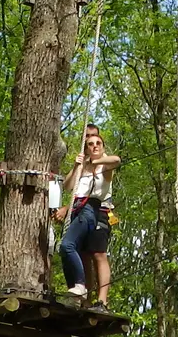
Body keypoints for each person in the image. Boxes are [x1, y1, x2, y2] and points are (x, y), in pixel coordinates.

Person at [55, 122, 120, 306]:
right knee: (83, 254)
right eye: (88, 141)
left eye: (96, 140)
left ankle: (102, 300)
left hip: (100, 209)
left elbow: (116, 160)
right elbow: (70, 188)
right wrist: (78, 166)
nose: (93, 145)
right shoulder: (83, 166)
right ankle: (85, 299)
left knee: (98, 254)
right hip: (80, 209)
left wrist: (95, 160)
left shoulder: (103, 164)